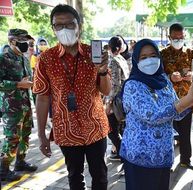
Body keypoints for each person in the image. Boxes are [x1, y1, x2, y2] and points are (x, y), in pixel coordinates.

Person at [33, 4, 111, 189]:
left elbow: (106, 91)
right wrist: (42, 134)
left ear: (79, 26)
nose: (64, 29)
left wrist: (102, 71)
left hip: (95, 126)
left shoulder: (94, 53)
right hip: (66, 129)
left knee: (100, 175)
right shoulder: (46, 59)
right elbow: (42, 98)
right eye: (58, 26)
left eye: (69, 24)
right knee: (75, 176)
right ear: (53, 29)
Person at [120, 38, 193, 190]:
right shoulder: (133, 85)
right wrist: (187, 101)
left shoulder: (164, 80)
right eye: (143, 58)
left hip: (163, 153)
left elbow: (176, 113)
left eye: (153, 56)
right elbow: (153, 116)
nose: (149, 61)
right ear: (135, 60)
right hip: (140, 157)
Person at [0, 29, 37, 181]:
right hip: (11, 107)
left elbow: (29, 80)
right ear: (13, 41)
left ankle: (20, 162)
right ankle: (3, 169)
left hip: (25, 104)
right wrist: (18, 84)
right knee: (12, 138)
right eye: (23, 41)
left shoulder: (24, 57)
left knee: (25, 135)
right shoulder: (3, 57)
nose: (26, 44)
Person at [161, 23, 193, 170]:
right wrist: (169, 77)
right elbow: (157, 76)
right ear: (169, 37)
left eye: (181, 37)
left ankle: (185, 160)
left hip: (187, 99)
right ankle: (167, 161)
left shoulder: (191, 53)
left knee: (185, 133)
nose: (178, 40)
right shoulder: (162, 54)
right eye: (175, 37)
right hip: (167, 101)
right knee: (167, 134)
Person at [106, 36, 131, 161]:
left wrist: (109, 103)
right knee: (120, 130)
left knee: (111, 131)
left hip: (116, 101)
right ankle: (124, 155)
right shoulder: (122, 59)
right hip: (123, 99)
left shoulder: (113, 61)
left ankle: (123, 155)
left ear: (109, 47)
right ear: (121, 47)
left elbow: (115, 85)